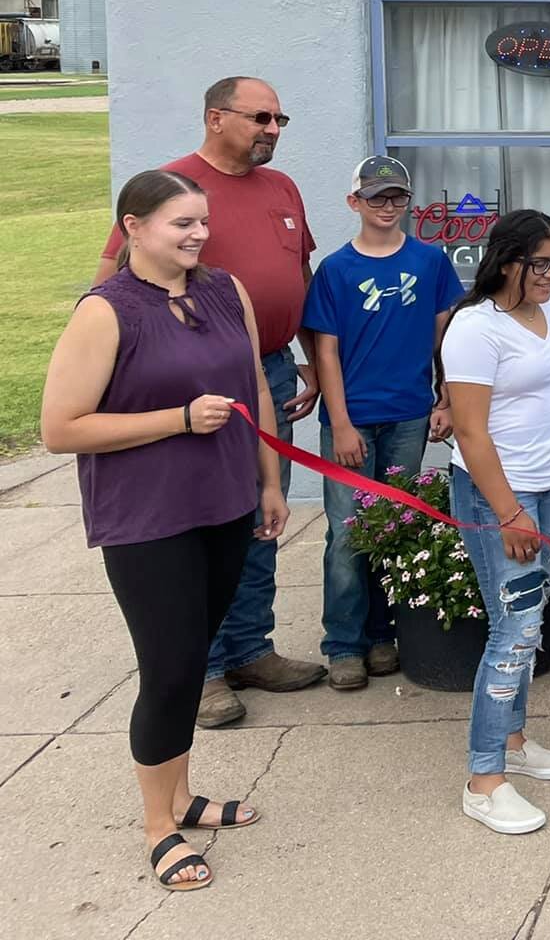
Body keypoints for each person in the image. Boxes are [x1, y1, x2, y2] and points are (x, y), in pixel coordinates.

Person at [41, 170, 290, 892]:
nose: (200, 234)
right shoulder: (105, 310)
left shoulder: (223, 291)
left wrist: (269, 482)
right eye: (182, 223)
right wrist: (177, 419)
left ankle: (183, 795)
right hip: (147, 519)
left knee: (192, 654)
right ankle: (158, 825)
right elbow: (61, 428)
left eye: (203, 222)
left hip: (225, 506)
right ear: (134, 227)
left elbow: (253, 393)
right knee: (172, 668)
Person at [95, 76, 326, 726]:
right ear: (215, 116)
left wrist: (301, 352)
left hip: (269, 370)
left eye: (280, 118)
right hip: (191, 382)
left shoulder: (282, 188)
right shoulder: (172, 188)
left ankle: (252, 647)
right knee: (202, 522)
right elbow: (114, 282)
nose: (273, 129)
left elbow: (294, 276)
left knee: (260, 515)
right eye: (260, 117)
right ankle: (203, 671)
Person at [441, 210, 550, 836]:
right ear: (507, 263)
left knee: (526, 622)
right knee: (515, 631)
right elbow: (470, 430)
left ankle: (515, 742)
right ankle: (484, 778)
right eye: (541, 264)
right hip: (501, 494)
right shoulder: (474, 329)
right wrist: (509, 512)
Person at [302, 155, 465, 690]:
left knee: (395, 526)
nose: (387, 207)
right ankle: (343, 643)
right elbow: (325, 351)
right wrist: (342, 422)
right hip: (353, 419)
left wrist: (444, 399)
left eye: (396, 197)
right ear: (355, 203)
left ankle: (383, 634)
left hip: (409, 415)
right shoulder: (336, 270)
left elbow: (445, 339)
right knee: (348, 534)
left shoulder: (429, 262)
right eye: (376, 198)